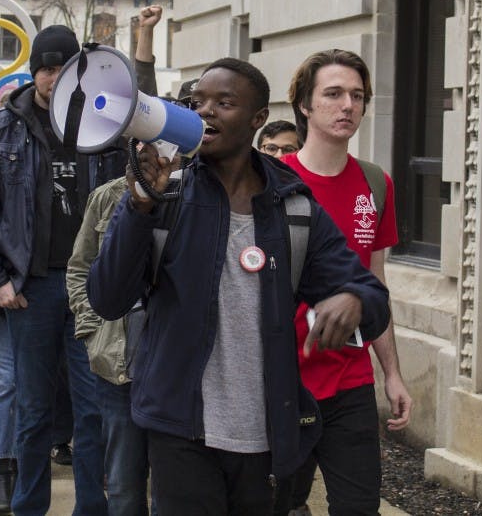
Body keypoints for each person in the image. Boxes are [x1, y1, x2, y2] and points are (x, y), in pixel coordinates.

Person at [88, 57, 393, 515]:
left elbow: (371, 294)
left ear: (257, 120)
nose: (205, 111)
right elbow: (107, 298)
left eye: (223, 103)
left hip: (266, 435)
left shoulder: (294, 208)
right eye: (197, 102)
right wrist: (139, 206)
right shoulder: (165, 197)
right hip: (179, 430)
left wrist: (352, 298)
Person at [0, 24, 110, 516]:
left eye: (63, 67)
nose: (54, 77)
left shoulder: (103, 122)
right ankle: (29, 506)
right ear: (35, 73)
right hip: (34, 288)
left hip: (90, 288)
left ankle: (91, 506)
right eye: (46, 68)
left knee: (92, 409)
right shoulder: (2, 127)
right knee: (33, 410)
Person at [279, 49, 412, 516]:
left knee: (359, 508)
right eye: (333, 94)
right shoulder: (274, 183)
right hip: (283, 382)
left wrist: (392, 374)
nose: (347, 106)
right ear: (304, 105)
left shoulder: (376, 184)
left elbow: (377, 283)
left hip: (350, 382)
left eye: (357, 96)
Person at [65, 5, 167, 516]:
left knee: (170, 488)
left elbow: (148, 104)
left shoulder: (185, 199)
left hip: (169, 368)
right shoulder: (105, 198)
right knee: (123, 488)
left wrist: (144, 43)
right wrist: (92, 329)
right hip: (117, 369)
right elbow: (80, 267)